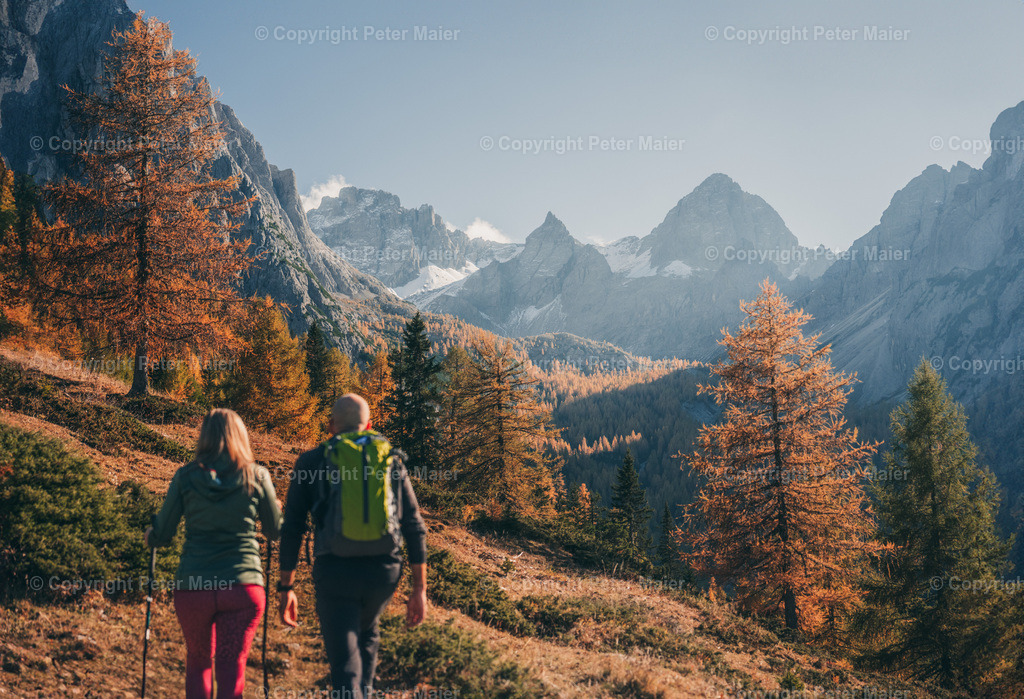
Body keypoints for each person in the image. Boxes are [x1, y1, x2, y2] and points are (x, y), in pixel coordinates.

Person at [278, 393, 428, 699]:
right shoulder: (389, 459)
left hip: (336, 571)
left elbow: (293, 526)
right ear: (368, 425)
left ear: (331, 426)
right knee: (367, 631)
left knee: (345, 665)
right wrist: (419, 590)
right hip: (384, 572)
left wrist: (286, 587)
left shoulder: (311, 461)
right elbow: (413, 525)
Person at [147, 408, 282, 699]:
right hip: (243, 585)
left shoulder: (185, 477)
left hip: (194, 585)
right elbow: (275, 531)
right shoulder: (257, 475)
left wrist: (151, 535)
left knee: (198, 660)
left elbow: (163, 535)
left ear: (204, 436)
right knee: (231, 662)